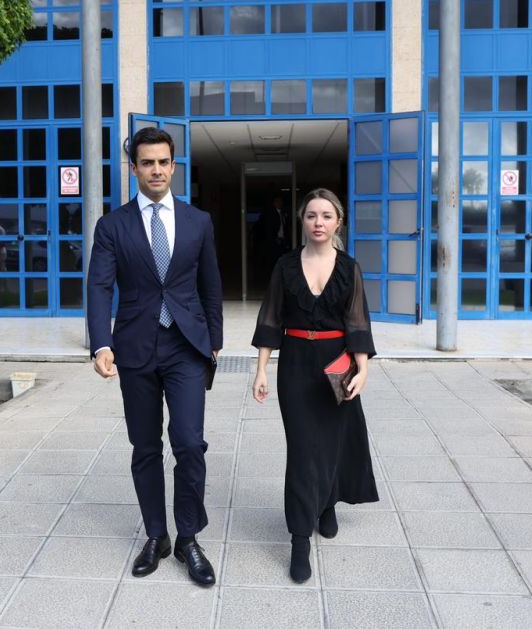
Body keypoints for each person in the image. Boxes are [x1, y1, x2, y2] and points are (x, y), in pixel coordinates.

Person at [86, 126, 224, 587]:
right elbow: (100, 286)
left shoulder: (197, 221)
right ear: (134, 168)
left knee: (189, 443)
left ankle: (188, 538)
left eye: (164, 162)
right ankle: (156, 535)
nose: (157, 170)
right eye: (148, 163)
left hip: (186, 346)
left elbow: (210, 285)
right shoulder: (112, 226)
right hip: (136, 348)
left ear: (173, 165)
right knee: (145, 447)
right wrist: (101, 343)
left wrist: (215, 340)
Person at [250, 187, 379, 583]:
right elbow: (271, 318)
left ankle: (327, 505)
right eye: (311, 215)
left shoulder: (349, 267)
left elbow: (357, 321)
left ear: (338, 222)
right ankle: (300, 538)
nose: (318, 222)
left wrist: (363, 369)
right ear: (302, 221)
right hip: (296, 366)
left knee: (334, 442)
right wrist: (261, 369)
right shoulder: (286, 266)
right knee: (304, 450)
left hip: (336, 365)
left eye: (326, 216)